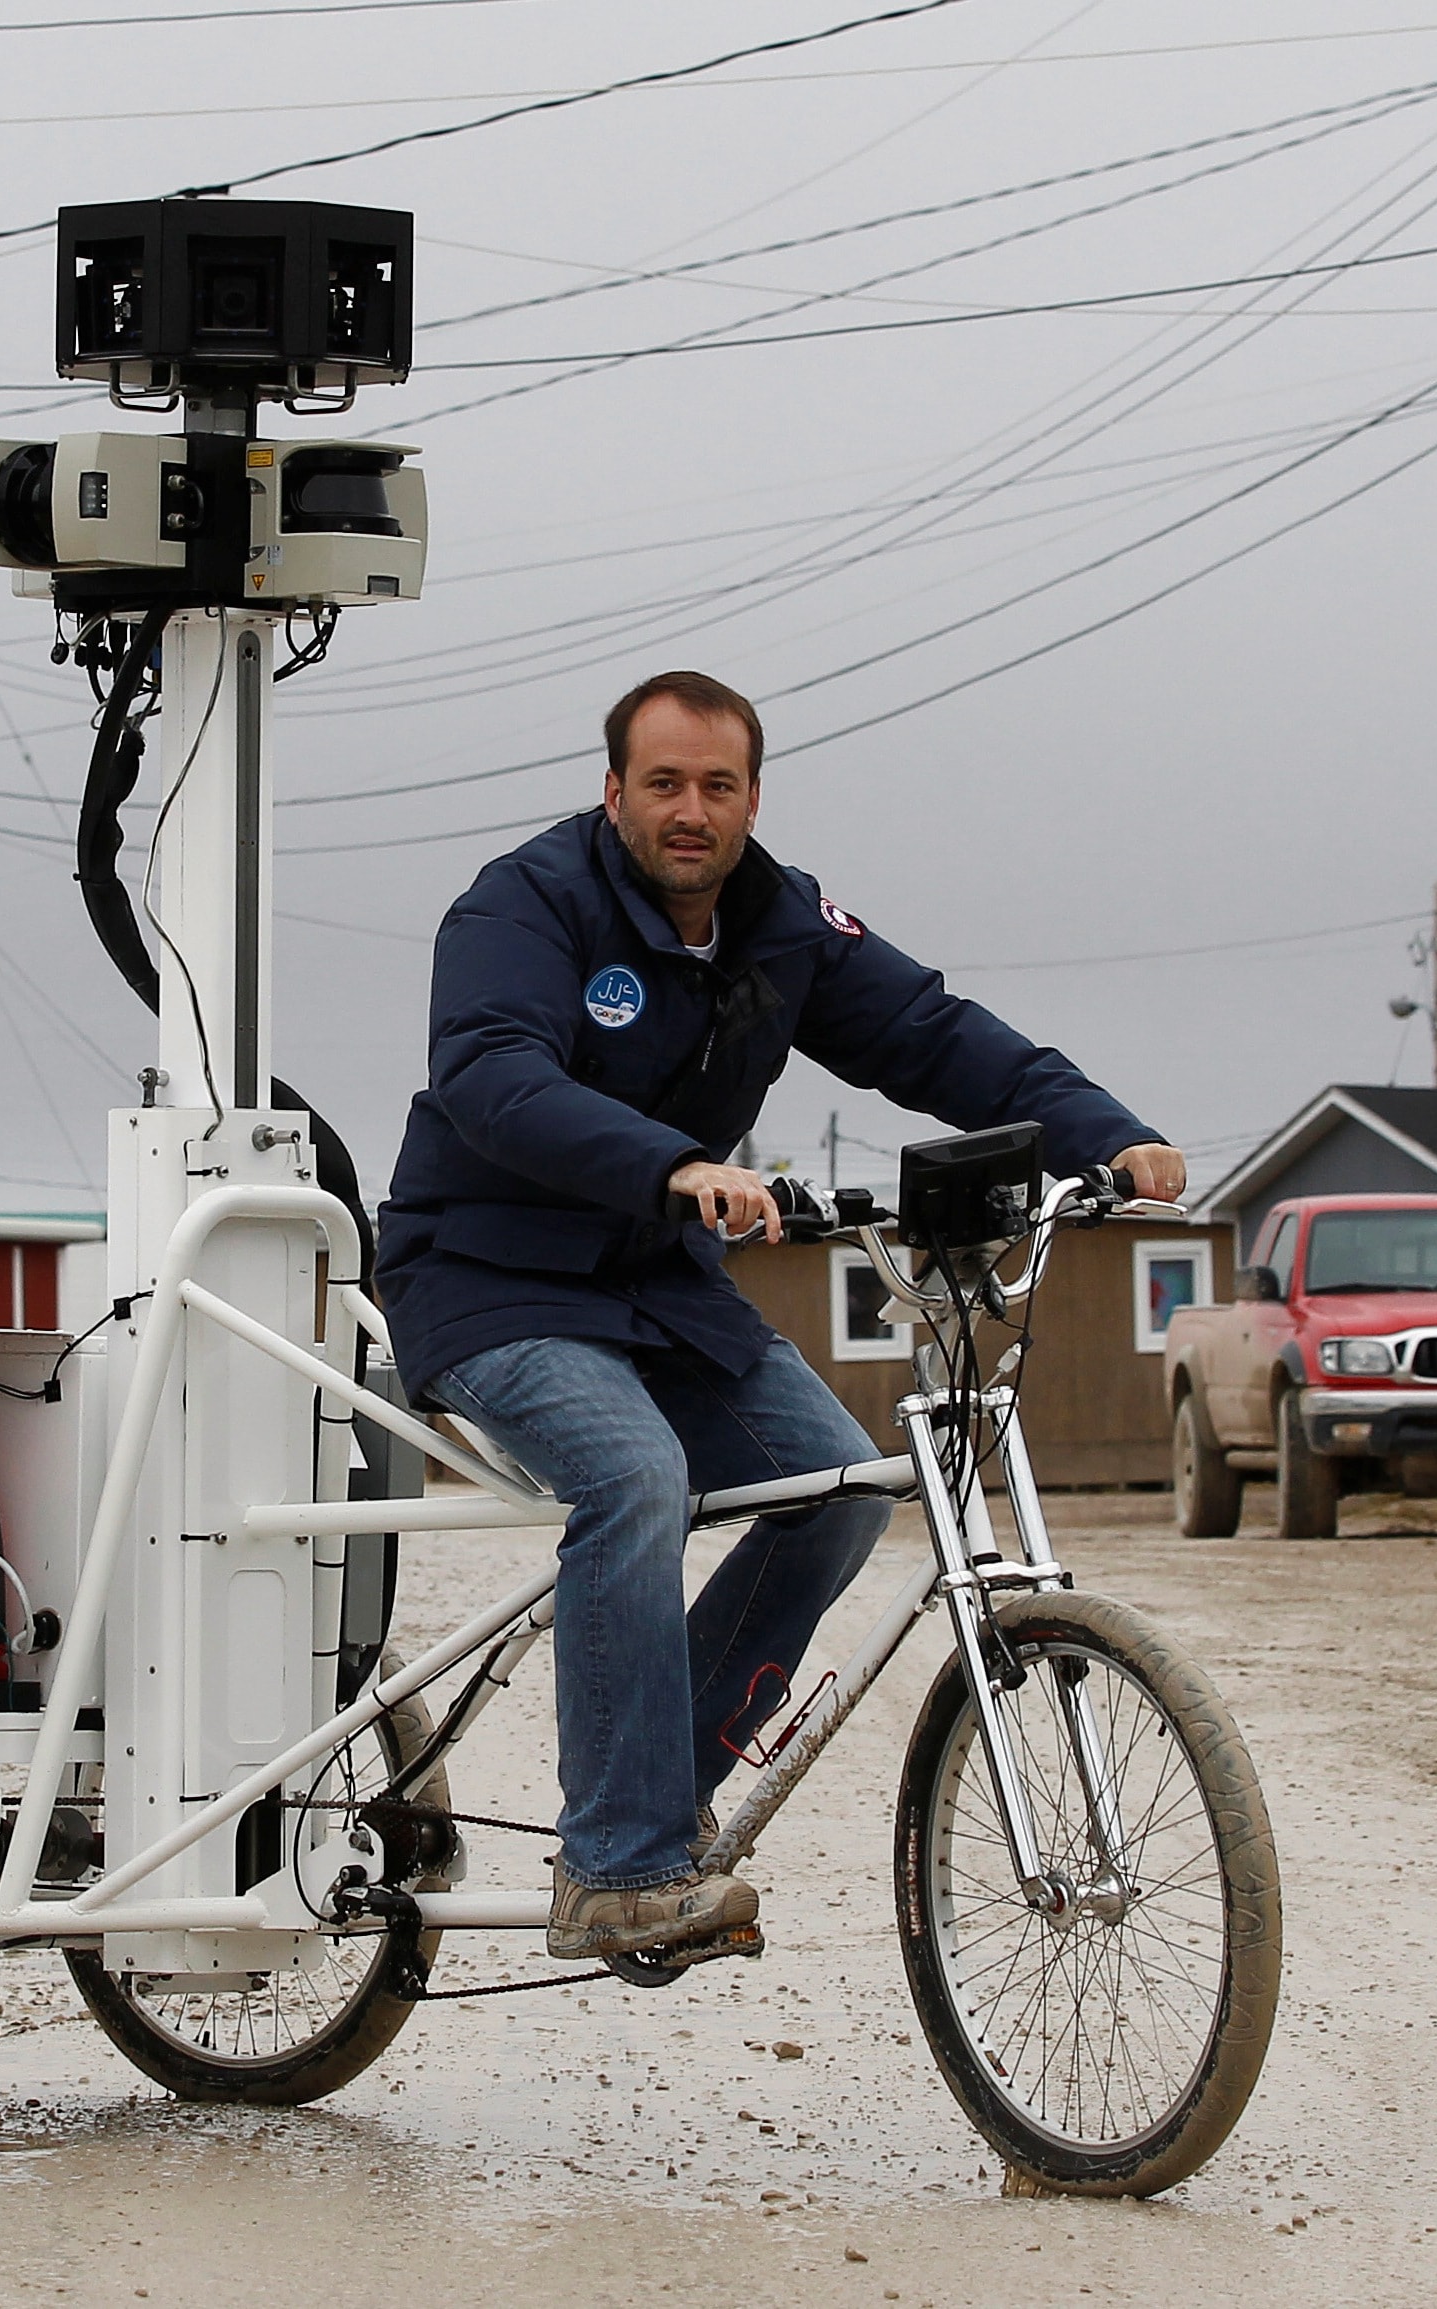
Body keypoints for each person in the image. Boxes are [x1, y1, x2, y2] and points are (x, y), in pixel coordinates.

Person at [374, 671, 1186, 1962]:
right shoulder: (523, 904)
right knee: (633, 1475)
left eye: (718, 784)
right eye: (663, 783)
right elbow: (492, 1073)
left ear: (753, 796)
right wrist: (673, 1166)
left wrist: (1112, 1133)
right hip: (487, 1270)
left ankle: (650, 1803)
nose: (690, 811)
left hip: (656, 1279)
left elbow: (934, 1034)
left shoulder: (786, 923)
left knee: (843, 1487)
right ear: (613, 793)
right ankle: (616, 1868)